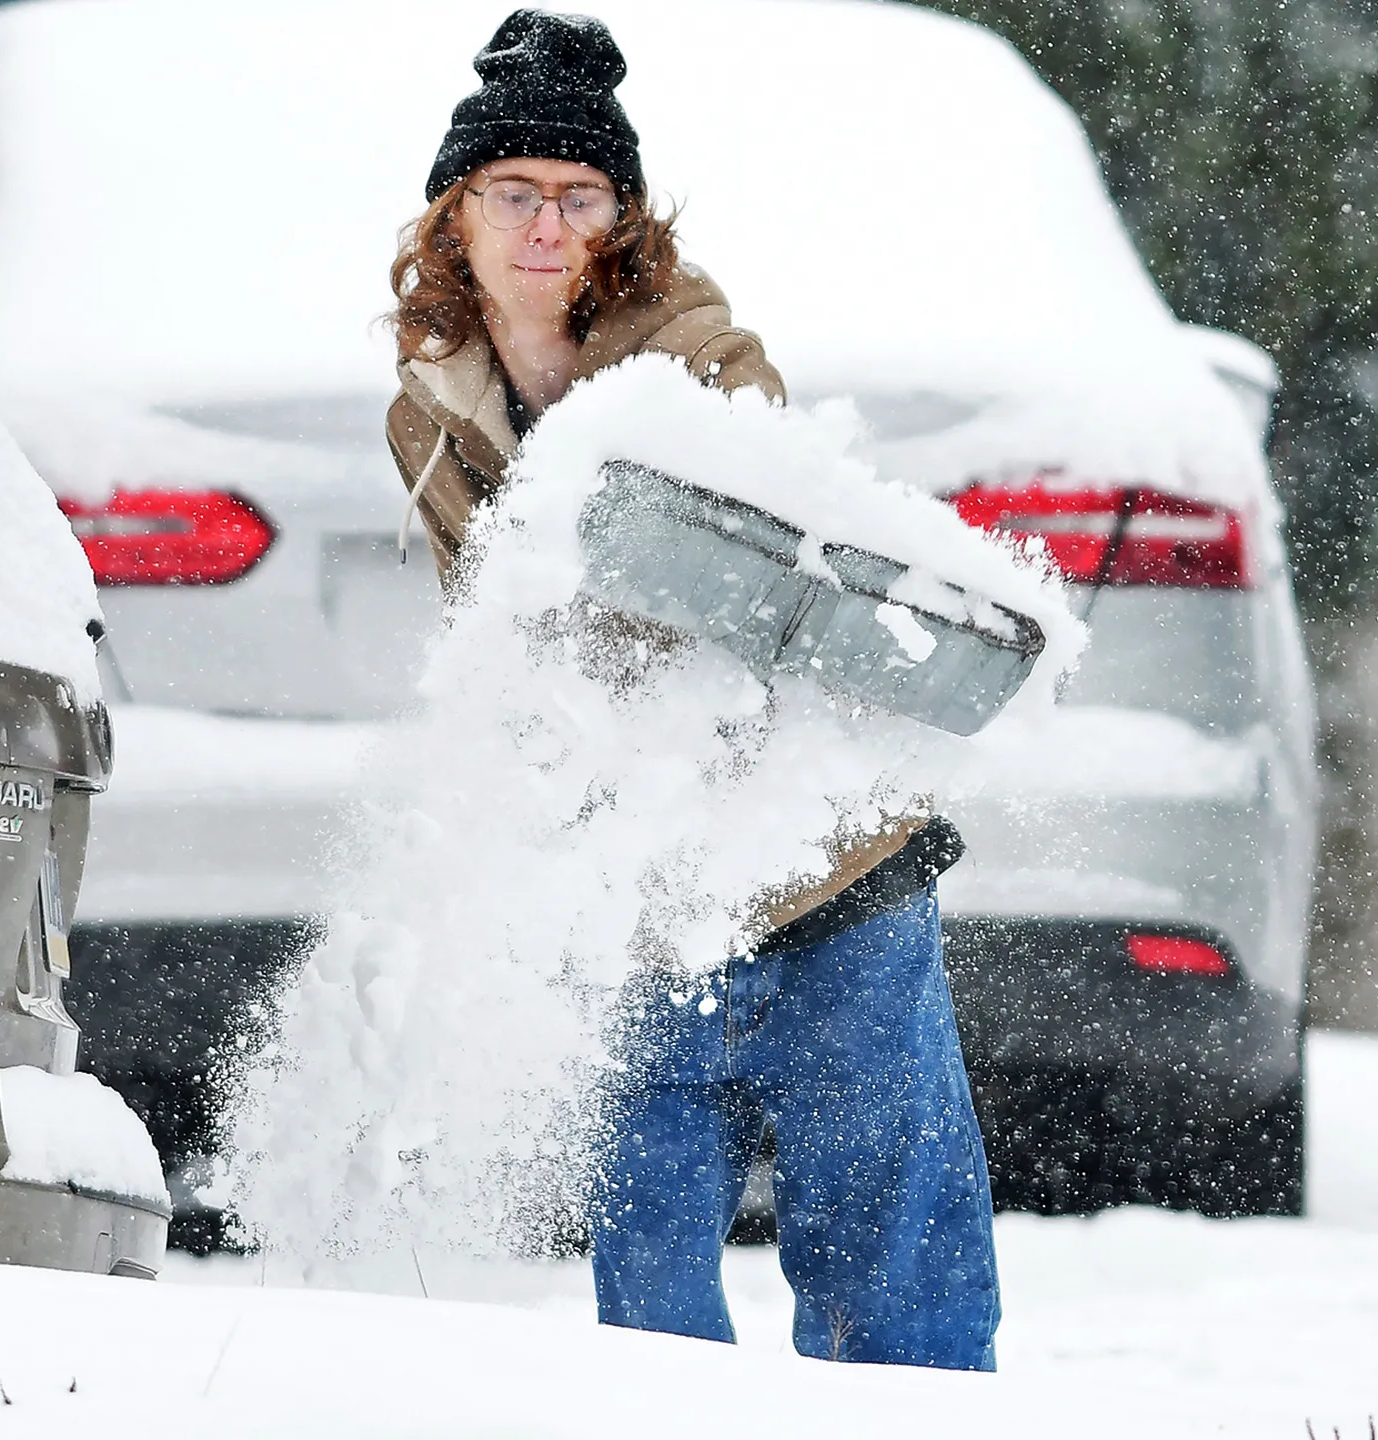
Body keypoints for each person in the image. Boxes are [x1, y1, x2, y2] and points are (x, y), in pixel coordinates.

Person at [383, 8, 999, 1371]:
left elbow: (770, 595)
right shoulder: (430, 407)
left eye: (581, 196)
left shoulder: (703, 362)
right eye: (514, 194)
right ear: (458, 214)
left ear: (624, 219)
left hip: (828, 859)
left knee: (888, 1264)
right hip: (646, 890)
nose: (547, 226)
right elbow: (496, 638)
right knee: (651, 1276)